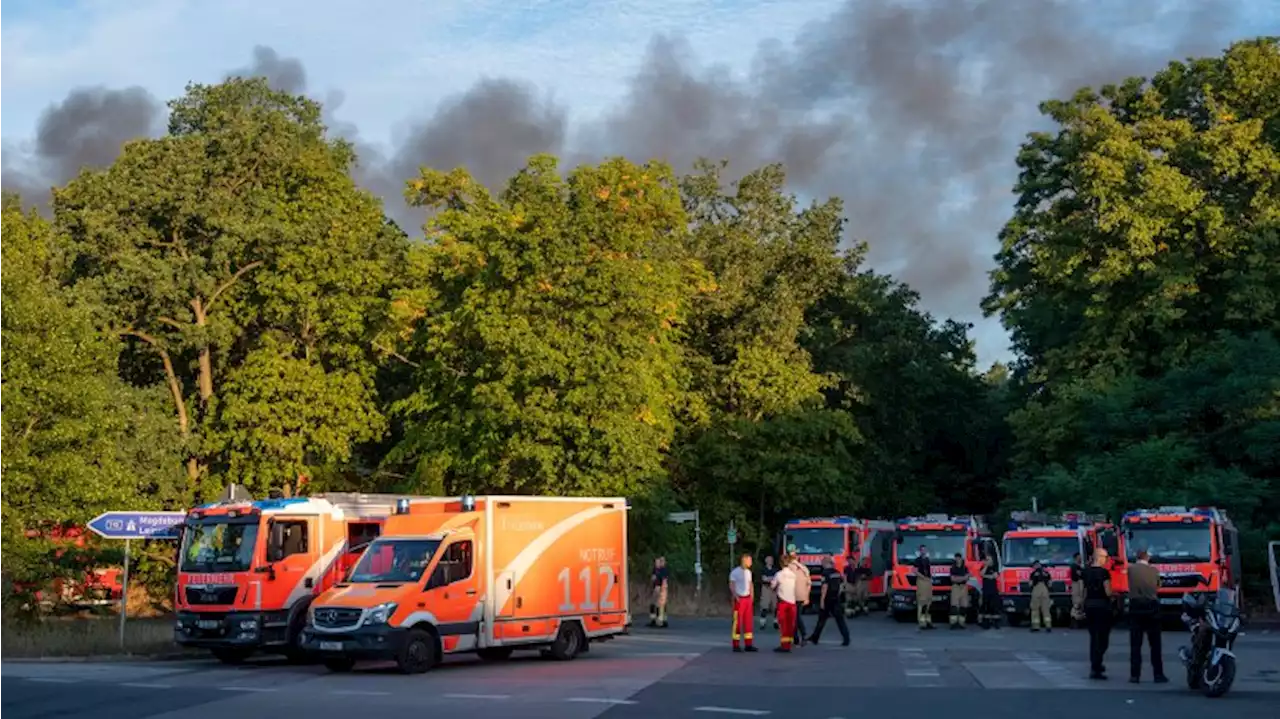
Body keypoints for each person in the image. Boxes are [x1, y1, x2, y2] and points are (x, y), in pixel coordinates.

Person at [1127, 550, 1167, 683]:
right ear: (1148, 558)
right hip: (1152, 606)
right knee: (1155, 644)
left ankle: (1135, 675)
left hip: (1136, 606)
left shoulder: (1131, 570)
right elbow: (1158, 586)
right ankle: (1158, 674)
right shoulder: (1154, 571)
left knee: (1135, 644)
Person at [1082, 549, 1114, 680]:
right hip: (1102, 606)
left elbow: (1083, 590)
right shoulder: (1104, 573)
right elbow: (1108, 591)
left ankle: (1095, 664)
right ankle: (1097, 665)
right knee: (1103, 638)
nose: (1107, 560)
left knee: (1093, 637)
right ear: (1099, 558)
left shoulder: (1086, 572)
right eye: (1106, 557)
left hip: (1089, 605)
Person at [809, 556, 850, 646]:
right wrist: (838, 595)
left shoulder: (825, 573)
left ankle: (815, 638)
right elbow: (841, 586)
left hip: (828, 598)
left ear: (825, 563)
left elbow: (824, 587)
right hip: (836, 598)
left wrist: (822, 600)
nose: (822, 565)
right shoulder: (837, 573)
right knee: (840, 620)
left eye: (822, 563)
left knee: (822, 619)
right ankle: (846, 638)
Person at [729, 553, 758, 652]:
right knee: (737, 622)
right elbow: (732, 585)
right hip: (740, 599)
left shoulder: (748, 572)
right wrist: (735, 595)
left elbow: (750, 584)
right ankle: (736, 644)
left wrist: (752, 596)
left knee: (748, 621)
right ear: (744, 560)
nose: (751, 563)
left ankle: (748, 644)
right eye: (749, 560)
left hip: (747, 598)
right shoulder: (735, 572)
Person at [770, 555, 799, 653]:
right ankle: (789, 644)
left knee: (783, 624)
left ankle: (784, 645)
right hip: (792, 601)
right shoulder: (793, 574)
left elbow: (773, 585)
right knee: (790, 624)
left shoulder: (779, 574)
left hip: (783, 602)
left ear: (780, 563)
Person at [787, 550, 811, 646]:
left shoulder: (799, 569)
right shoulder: (798, 568)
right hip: (794, 595)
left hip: (796, 596)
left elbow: (808, 583)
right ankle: (797, 636)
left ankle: (801, 635)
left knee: (796, 617)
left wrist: (807, 597)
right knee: (795, 617)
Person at [913, 545, 935, 630]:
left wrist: (930, 578)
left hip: (928, 581)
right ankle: (922, 622)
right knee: (922, 601)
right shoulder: (917, 560)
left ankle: (928, 621)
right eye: (922, 550)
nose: (923, 551)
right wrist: (923, 577)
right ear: (920, 551)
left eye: (925, 550)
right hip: (921, 581)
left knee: (929, 601)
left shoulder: (928, 560)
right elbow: (914, 571)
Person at [1028, 560, 1053, 632]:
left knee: (1035, 609)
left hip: (1036, 590)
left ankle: (1036, 626)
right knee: (1046, 609)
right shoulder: (1046, 573)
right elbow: (1050, 584)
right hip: (1045, 591)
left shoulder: (1033, 574)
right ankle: (1048, 626)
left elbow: (1030, 584)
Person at [978, 555, 1001, 629]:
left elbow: (995, 576)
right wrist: (986, 566)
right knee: (986, 607)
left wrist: (986, 576)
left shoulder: (994, 568)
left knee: (994, 607)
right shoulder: (983, 568)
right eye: (986, 560)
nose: (987, 561)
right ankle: (986, 623)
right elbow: (981, 574)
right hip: (986, 590)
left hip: (994, 590)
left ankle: (996, 623)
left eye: (989, 560)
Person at [948, 553, 970, 629]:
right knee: (954, 605)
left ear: (961, 559)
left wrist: (958, 578)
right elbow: (952, 579)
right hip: (955, 587)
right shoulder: (952, 568)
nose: (957, 559)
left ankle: (961, 623)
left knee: (963, 605)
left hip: (963, 587)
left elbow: (967, 578)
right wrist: (962, 578)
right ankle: (953, 623)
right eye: (956, 558)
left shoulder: (965, 568)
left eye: (958, 558)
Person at [758, 555, 779, 629]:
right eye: (769, 560)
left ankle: (776, 622)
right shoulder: (763, 569)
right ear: (766, 561)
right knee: (764, 606)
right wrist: (771, 579)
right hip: (766, 588)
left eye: (772, 560)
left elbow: (777, 579)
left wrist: (769, 578)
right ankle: (762, 623)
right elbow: (764, 579)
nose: (771, 561)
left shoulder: (776, 570)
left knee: (775, 606)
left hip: (774, 589)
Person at [649, 556, 669, 628]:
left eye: (660, 561)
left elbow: (664, 580)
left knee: (661, 605)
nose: (659, 563)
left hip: (661, 588)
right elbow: (653, 579)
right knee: (655, 604)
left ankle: (661, 621)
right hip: (656, 588)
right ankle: (655, 620)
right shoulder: (656, 570)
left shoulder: (663, 570)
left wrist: (662, 589)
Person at [1069, 552, 1085, 629]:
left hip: (1079, 584)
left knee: (1080, 602)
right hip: (1077, 584)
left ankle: (1078, 620)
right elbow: (1079, 575)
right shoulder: (1075, 567)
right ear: (1076, 558)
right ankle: (1074, 621)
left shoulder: (1078, 566)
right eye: (1079, 557)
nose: (1080, 558)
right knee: (1077, 603)